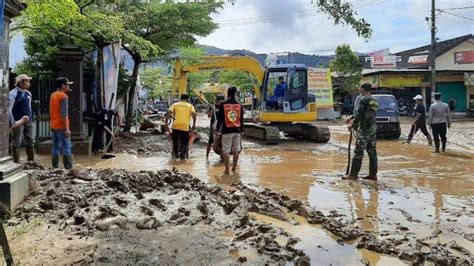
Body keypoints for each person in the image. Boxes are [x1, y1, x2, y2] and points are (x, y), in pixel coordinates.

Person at [344, 83, 378, 180]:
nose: (359, 89)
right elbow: (368, 113)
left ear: (362, 89)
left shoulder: (363, 99)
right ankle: (373, 174)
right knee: (372, 152)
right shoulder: (374, 100)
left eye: (360, 87)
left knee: (358, 151)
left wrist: (353, 125)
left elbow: (360, 115)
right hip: (372, 129)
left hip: (364, 129)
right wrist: (351, 118)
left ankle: (353, 175)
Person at [217, 87, 244, 175]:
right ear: (235, 94)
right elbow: (241, 119)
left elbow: (220, 119)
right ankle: (234, 168)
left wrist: (217, 129)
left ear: (228, 93)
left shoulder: (223, 104)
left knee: (226, 150)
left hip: (226, 130)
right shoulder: (239, 105)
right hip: (237, 130)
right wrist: (242, 130)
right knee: (236, 149)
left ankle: (227, 170)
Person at [9, 74, 34, 163]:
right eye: (27, 81)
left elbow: (29, 107)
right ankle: (16, 162)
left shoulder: (28, 93)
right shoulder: (13, 93)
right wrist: (12, 122)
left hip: (29, 120)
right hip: (18, 121)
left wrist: (30, 117)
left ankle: (31, 161)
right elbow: (9, 109)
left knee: (30, 140)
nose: (29, 83)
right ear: (21, 83)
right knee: (17, 142)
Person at [50, 77, 74, 169]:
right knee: (66, 146)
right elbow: (64, 114)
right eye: (67, 84)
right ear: (63, 85)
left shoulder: (53, 95)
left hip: (53, 125)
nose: (68, 86)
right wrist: (67, 129)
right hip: (61, 126)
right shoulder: (64, 96)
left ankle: (55, 167)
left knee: (55, 146)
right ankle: (68, 169)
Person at [165, 94, 197, 160]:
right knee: (184, 143)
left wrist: (166, 122)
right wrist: (194, 124)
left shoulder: (175, 105)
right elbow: (194, 114)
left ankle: (175, 155)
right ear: (187, 99)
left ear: (180, 98)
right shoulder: (190, 106)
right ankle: (183, 157)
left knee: (175, 142)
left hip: (176, 126)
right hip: (185, 127)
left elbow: (168, 112)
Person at [206, 94, 225, 159]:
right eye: (220, 101)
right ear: (217, 101)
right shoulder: (213, 107)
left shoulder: (225, 107)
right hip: (213, 126)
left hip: (222, 127)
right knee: (210, 141)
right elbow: (209, 116)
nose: (221, 102)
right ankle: (207, 156)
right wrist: (212, 110)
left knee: (222, 142)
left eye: (222, 101)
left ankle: (222, 157)